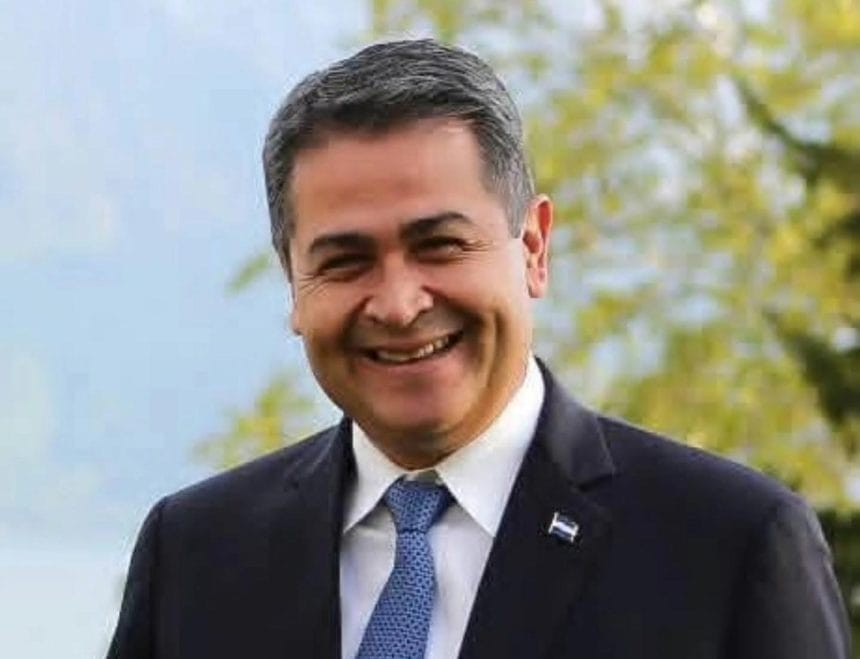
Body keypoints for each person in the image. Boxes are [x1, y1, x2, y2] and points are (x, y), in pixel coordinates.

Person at [108, 39, 850, 659]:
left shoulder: (727, 548)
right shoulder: (197, 555)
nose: (399, 303)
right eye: (346, 261)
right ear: (293, 284)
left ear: (534, 248)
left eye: (440, 244)